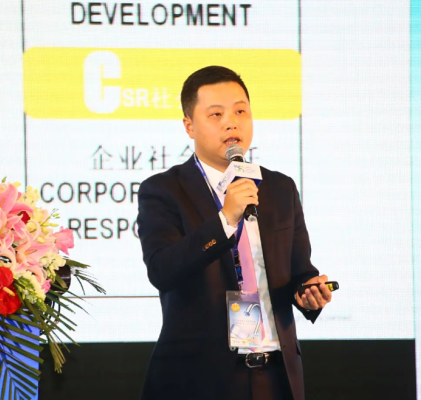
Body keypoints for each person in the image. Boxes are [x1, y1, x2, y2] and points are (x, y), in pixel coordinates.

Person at [137, 66, 333, 400]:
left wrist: (309, 293)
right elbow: (162, 271)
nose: (231, 123)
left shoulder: (279, 188)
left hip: (276, 377)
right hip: (198, 380)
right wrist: (226, 218)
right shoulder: (164, 190)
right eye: (216, 114)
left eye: (241, 111)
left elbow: (300, 271)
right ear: (189, 125)